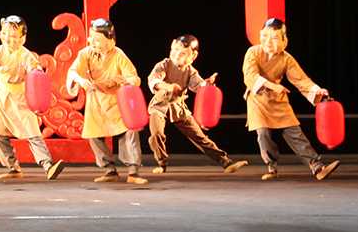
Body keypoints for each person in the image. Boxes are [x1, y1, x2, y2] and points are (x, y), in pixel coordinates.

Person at [243, 18, 341, 180]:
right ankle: (271, 167)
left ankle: (317, 166)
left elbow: (301, 80)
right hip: (257, 100)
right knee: (263, 133)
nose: (268, 41)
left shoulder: (286, 58)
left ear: (284, 40)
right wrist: (272, 86)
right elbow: (250, 76)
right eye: (265, 36)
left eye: (274, 38)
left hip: (278, 99)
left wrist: (317, 90)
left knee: (295, 133)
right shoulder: (253, 52)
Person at [0, 15, 66, 180]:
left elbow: (36, 73)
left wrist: (37, 80)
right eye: (5, 34)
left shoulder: (26, 55)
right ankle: (13, 167)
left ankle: (47, 165)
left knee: (32, 133)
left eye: (13, 36)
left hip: (21, 98)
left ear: (23, 38)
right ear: (0, 34)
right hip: (2, 97)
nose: (8, 39)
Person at [146, 34, 248, 175]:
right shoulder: (164, 65)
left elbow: (199, 87)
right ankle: (161, 163)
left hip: (178, 108)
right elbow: (153, 81)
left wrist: (207, 85)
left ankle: (225, 162)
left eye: (182, 53)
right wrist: (168, 87)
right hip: (159, 105)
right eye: (175, 50)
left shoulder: (191, 72)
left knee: (199, 137)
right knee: (156, 134)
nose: (177, 54)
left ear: (193, 56)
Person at [65, 18, 147, 184]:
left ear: (110, 40)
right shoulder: (86, 53)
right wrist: (81, 80)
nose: (92, 42)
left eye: (97, 40)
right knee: (94, 135)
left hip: (117, 101)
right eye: (91, 38)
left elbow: (134, 77)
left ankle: (133, 171)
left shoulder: (118, 55)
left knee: (129, 132)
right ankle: (109, 170)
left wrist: (127, 81)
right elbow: (73, 72)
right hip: (96, 100)